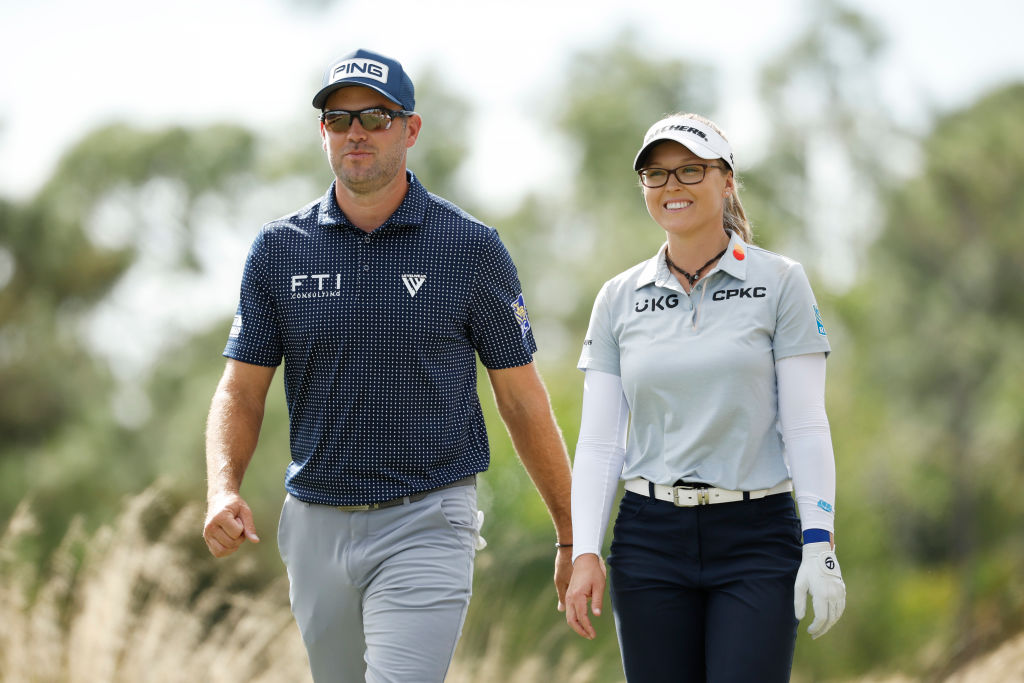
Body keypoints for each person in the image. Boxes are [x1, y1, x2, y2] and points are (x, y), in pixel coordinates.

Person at [202, 48, 573, 683]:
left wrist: (571, 532)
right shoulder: (277, 250)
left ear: (410, 128)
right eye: (339, 118)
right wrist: (222, 488)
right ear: (323, 132)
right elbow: (241, 389)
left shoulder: (470, 247)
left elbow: (520, 396)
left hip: (427, 517)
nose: (356, 132)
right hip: (316, 523)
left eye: (375, 117)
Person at [563, 113, 846, 682]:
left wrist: (820, 542)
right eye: (656, 174)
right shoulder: (619, 298)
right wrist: (585, 550)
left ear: (727, 181)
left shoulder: (781, 282)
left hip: (756, 535)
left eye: (691, 170)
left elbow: (807, 425)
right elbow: (598, 443)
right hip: (649, 536)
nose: (672, 187)